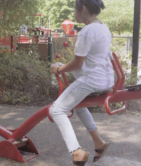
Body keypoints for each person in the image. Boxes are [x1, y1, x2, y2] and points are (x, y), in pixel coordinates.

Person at [49, 0, 112, 165]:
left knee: (56, 110)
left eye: (74, 10)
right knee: (79, 106)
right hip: (105, 79)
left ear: (83, 9)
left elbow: (77, 64)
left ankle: (76, 152)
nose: (74, 14)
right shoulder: (103, 27)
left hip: (91, 80)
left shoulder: (87, 31)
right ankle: (99, 143)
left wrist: (58, 68)